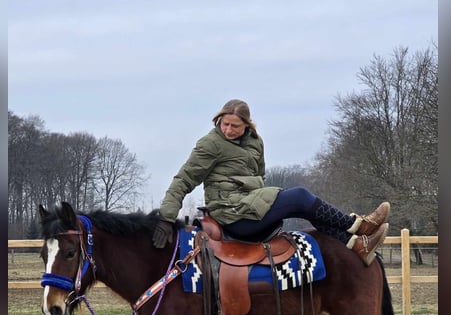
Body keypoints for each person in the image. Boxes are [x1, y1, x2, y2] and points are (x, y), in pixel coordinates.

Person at [152, 99, 390, 263]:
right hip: (232, 215)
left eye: (235, 126)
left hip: (251, 205)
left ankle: (354, 243)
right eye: (224, 124)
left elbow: (259, 177)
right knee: (299, 197)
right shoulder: (210, 144)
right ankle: (357, 225)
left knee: (305, 207)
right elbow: (183, 179)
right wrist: (166, 217)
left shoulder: (256, 142)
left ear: (247, 125)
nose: (228, 130)